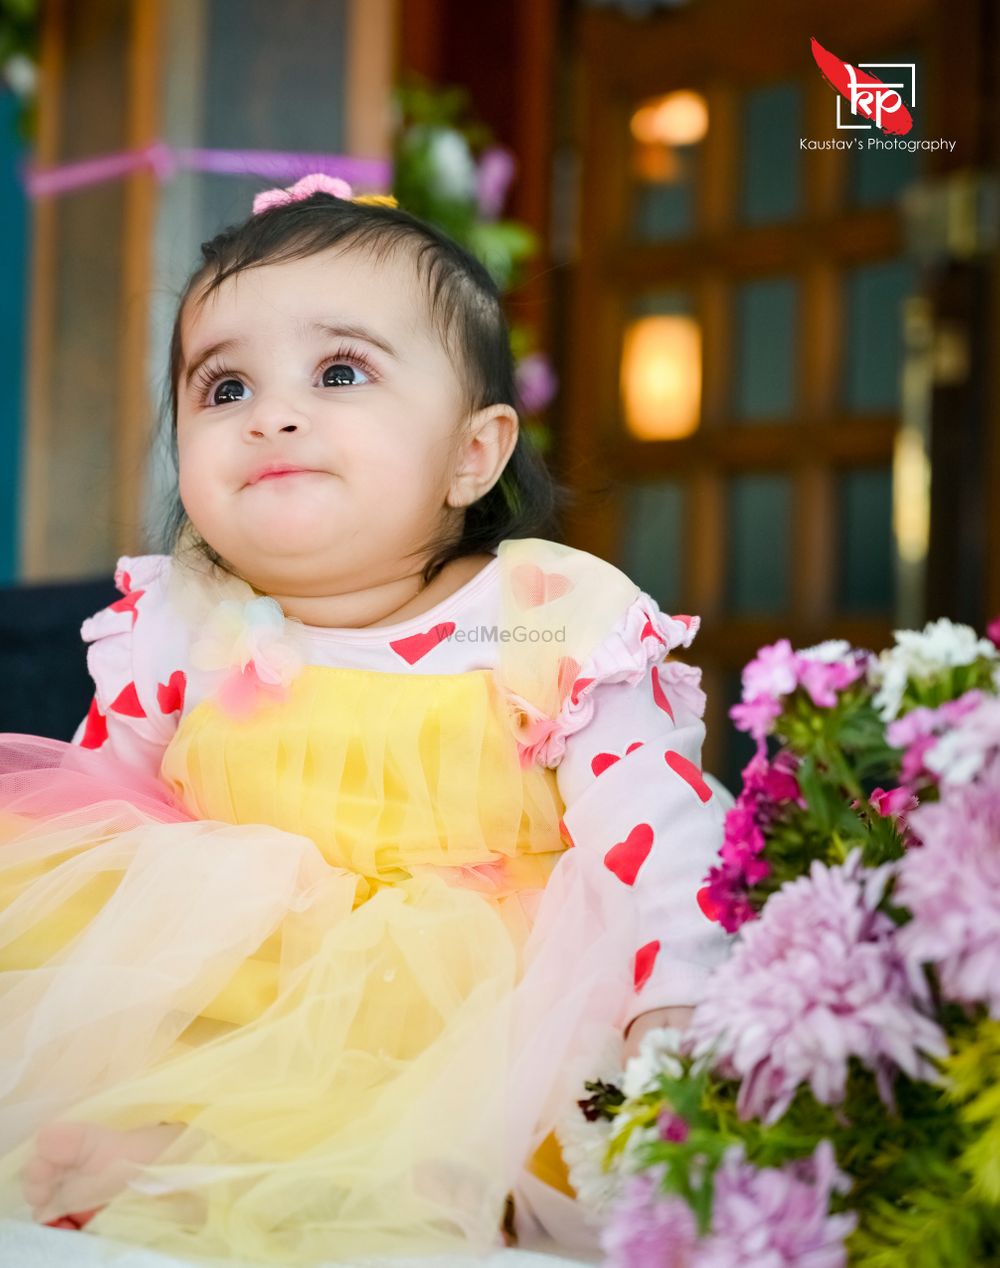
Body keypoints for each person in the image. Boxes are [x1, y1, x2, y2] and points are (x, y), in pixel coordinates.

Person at [0, 174, 732, 1265]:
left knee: (473, 1139)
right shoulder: (181, 622)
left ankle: (281, 1177)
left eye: (339, 371)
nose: (273, 413)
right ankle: (176, 1149)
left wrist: (674, 1013)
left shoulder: (533, 619)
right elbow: (100, 817)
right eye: (224, 387)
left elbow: (655, 828)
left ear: (471, 454)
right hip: (242, 987)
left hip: (477, 1009)